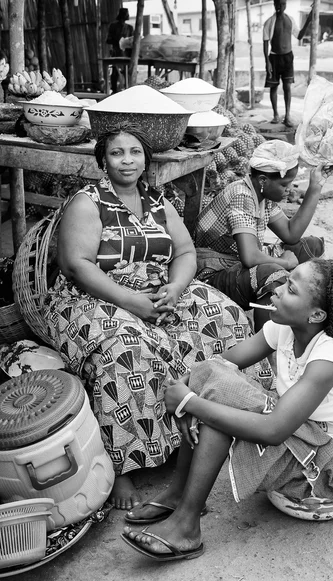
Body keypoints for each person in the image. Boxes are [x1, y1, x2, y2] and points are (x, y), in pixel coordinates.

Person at [43, 123, 274, 511]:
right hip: (95, 295)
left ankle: (231, 417)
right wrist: (132, 302)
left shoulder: (156, 199)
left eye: (135, 152)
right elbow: (76, 265)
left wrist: (176, 289)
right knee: (126, 349)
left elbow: (185, 253)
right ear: (103, 160)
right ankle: (124, 468)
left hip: (161, 289)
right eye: (117, 153)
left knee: (225, 316)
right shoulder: (88, 201)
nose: (127, 160)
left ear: (146, 159)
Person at [122, 258, 333, 561]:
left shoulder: (329, 358)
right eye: (284, 282)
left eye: (291, 290)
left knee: (216, 410)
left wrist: (191, 403)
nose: (278, 291)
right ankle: (179, 495)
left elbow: (273, 431)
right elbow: (220, 366)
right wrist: (190, 388)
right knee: (215, 382)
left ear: (317, 314)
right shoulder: (283, 329)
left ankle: (186, 525)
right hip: (307, 436)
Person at [194, 140, 329, 331]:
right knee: (271, 273)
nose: (290, 190)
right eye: (284, 185)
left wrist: (315, 188)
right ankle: (266, 344)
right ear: (264, 180)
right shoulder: (242, 196)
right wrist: (286, 263)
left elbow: (291, 234)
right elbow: (250, 258)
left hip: (235, 264)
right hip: (212, 274)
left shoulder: (262, 195)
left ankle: (303, 306)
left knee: (311, 246)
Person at [263, 0, 313, 127]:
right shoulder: (269, 22)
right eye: (278, 4)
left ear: (285, 5)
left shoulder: (290, 20)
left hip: (288, 58)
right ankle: (275, 114)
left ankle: (287, 116)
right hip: (274, 58)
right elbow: (265, 43)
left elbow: (299, 36)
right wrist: (267, 62)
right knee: (273, 87)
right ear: (274, 5)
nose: (280, 6)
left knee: (287, 87)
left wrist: (308, 20)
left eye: (283, 4)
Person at [106, 7, 134, 94]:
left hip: (126, 54)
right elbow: (108, 40)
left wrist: (127, 42)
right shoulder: (113, 26)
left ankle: (127, 90)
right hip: (116, 53)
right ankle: (114, 90)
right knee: (115, 73)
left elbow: (133, 41)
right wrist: (118, 40)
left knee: (127, 73)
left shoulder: (130, 28)